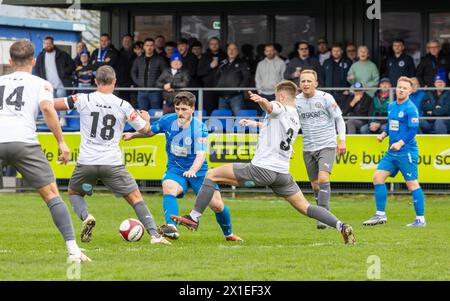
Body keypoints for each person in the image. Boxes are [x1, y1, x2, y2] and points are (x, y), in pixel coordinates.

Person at [171, 81, 356, 245]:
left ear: (281, 96)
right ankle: (341, 225)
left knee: (212, 174)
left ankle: (194, 218)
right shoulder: (295, 118)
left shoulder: (279, 107)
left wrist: (262, 101)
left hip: (262, 168)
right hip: (282, 175)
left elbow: (271, 108)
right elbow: (272, 127)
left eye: (276, 96)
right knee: (306, 207)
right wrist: (253, 124)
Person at [53, 65, 170, 245]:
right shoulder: (123, 105)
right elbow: (146, 131)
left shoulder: (82, 99)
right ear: (115, 82)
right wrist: (146, 119)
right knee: (135, 198)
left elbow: (53, 104)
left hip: (87, 164)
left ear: (95, 82)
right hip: (112, 164)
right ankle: (155, 235)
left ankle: (86, 216)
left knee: (75, 193)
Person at [0, 40, 89, 262]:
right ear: (33, 61)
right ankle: (73, 251)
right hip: (24, 142)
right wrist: (61, 142)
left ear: (10, 61)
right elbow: (47, 108)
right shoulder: (41, 83)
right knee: (52, 195)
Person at [122, 92, 242, 242]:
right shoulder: (167, 120)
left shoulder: (199, 128)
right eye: (177, 108)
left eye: (184, 109)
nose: (180, 112)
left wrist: (193, 170)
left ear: (192, 108)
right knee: (168, 186)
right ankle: (171, 227)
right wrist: (133, 135)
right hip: (175, 169)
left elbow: (200, 154)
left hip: (199, 171)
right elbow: (150, 132)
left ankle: (228, 234)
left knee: (217, 205)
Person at [363, 76, 426, 227]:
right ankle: (380, 215)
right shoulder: (391, 106)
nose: (401, 90)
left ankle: (420, 219)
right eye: (399, 87)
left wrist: (400, 142)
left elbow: (413, 130)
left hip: (407, 152)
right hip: (392, 153)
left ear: (410, 91)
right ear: (396, 88)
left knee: (412, 184)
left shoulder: (411, 108)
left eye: (405, 88)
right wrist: (384, 134)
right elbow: (392, 125)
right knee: (377, 177)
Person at [295, 69, 347, 229]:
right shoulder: (296, 101)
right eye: (303, 81)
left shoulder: (326, 98)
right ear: (299, 84)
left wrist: (342, 140)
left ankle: (323, 218)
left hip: (327, 145)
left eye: (309, 81)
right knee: (316, 185)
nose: (306, 84)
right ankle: (326, 215)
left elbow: (339, 119)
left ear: (315, 83)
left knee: (323, 179)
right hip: (308, 147)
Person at [34, 36, 75, 127]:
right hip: (48, 85)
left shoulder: (62, 54)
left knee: (62, 100)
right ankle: (55, 120)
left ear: (53, 44)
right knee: (51, 103)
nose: (48, 45)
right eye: (46, 43)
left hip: (61, 83)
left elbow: (72, 65)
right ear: (44, 44)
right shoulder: (41, 56)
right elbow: (36, 69)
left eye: (49, 43)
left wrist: (65, 72)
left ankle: (63, 119)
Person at [131, 38, 168, 110]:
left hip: (155, 91)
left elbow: (165, 73)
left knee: (156, 113)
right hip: (141, 90)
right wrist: (138, 82)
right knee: (142, 113)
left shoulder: (160, 59)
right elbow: (133, 72)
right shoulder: (138, 59)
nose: (149, 47)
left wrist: (158, 83)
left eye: (151, 45)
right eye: (147, 45)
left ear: (154, 47)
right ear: (144, 47)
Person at [216, 43, 252, 116]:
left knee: (239, 119)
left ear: (237, 51)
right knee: (222, 120)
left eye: (234, 49)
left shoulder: (242, 62)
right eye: (229, 49)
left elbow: (247, 78)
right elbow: (216, 77)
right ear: (227, 51)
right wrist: (217, 87)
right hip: (222, 96)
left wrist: (239, 89)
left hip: (236, 96)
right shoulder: (223, 63)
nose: (231, 51)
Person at [197, 37, 227, 115]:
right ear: (209, 45)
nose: (214, 45)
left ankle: (221, 127)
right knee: (209, 110)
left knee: (222, 110)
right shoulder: (204, 56)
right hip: (208, 88)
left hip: (222, 87)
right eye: (212, 44)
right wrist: (210, 66)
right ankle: (210, 126)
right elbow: (199, 72)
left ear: (219, 45)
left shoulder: (224, 55)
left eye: (216, 44)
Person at [156, 49, 190, 114]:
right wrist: (164, 86)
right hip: (167, 101)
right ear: (171, 62)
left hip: (180, 101)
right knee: (166, 120)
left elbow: (184, 84)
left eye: (178, 61)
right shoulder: (166, 71)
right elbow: (158, 82)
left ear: (181, 63)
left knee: (179, 120)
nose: (176, 63)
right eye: (174, 61)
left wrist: (171, 85)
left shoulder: (184, 72)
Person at [117, 34, 136, 101]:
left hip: (134, 84)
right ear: (122, 42)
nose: (127, 42)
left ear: (132, 42)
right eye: (125, 41)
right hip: (121, 84)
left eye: (129, 41)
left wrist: (134, 83)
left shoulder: (136, 54)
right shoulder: (117, 54)